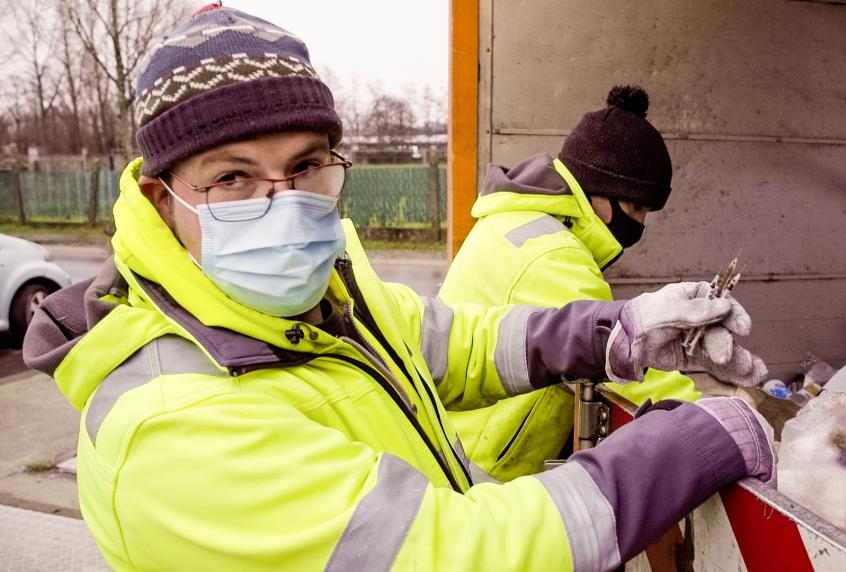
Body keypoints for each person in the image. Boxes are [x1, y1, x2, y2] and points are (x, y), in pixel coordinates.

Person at [24, 6, 773, 571]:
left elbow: (454, 343)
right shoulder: (172, 425)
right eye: (231, 177)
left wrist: (620, 332)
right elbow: (462, 552)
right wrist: (690, 442)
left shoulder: (323, 295)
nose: (285, 203)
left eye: (308, 164)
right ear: (162, 200)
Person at [441, 85, 766, 482]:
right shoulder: (553, 255)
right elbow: (628, 363)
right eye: (636, 207)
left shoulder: (518, 219)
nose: (642, 223)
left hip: (459, 442)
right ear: (598, 190)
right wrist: (721, 417)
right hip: (477, 467)